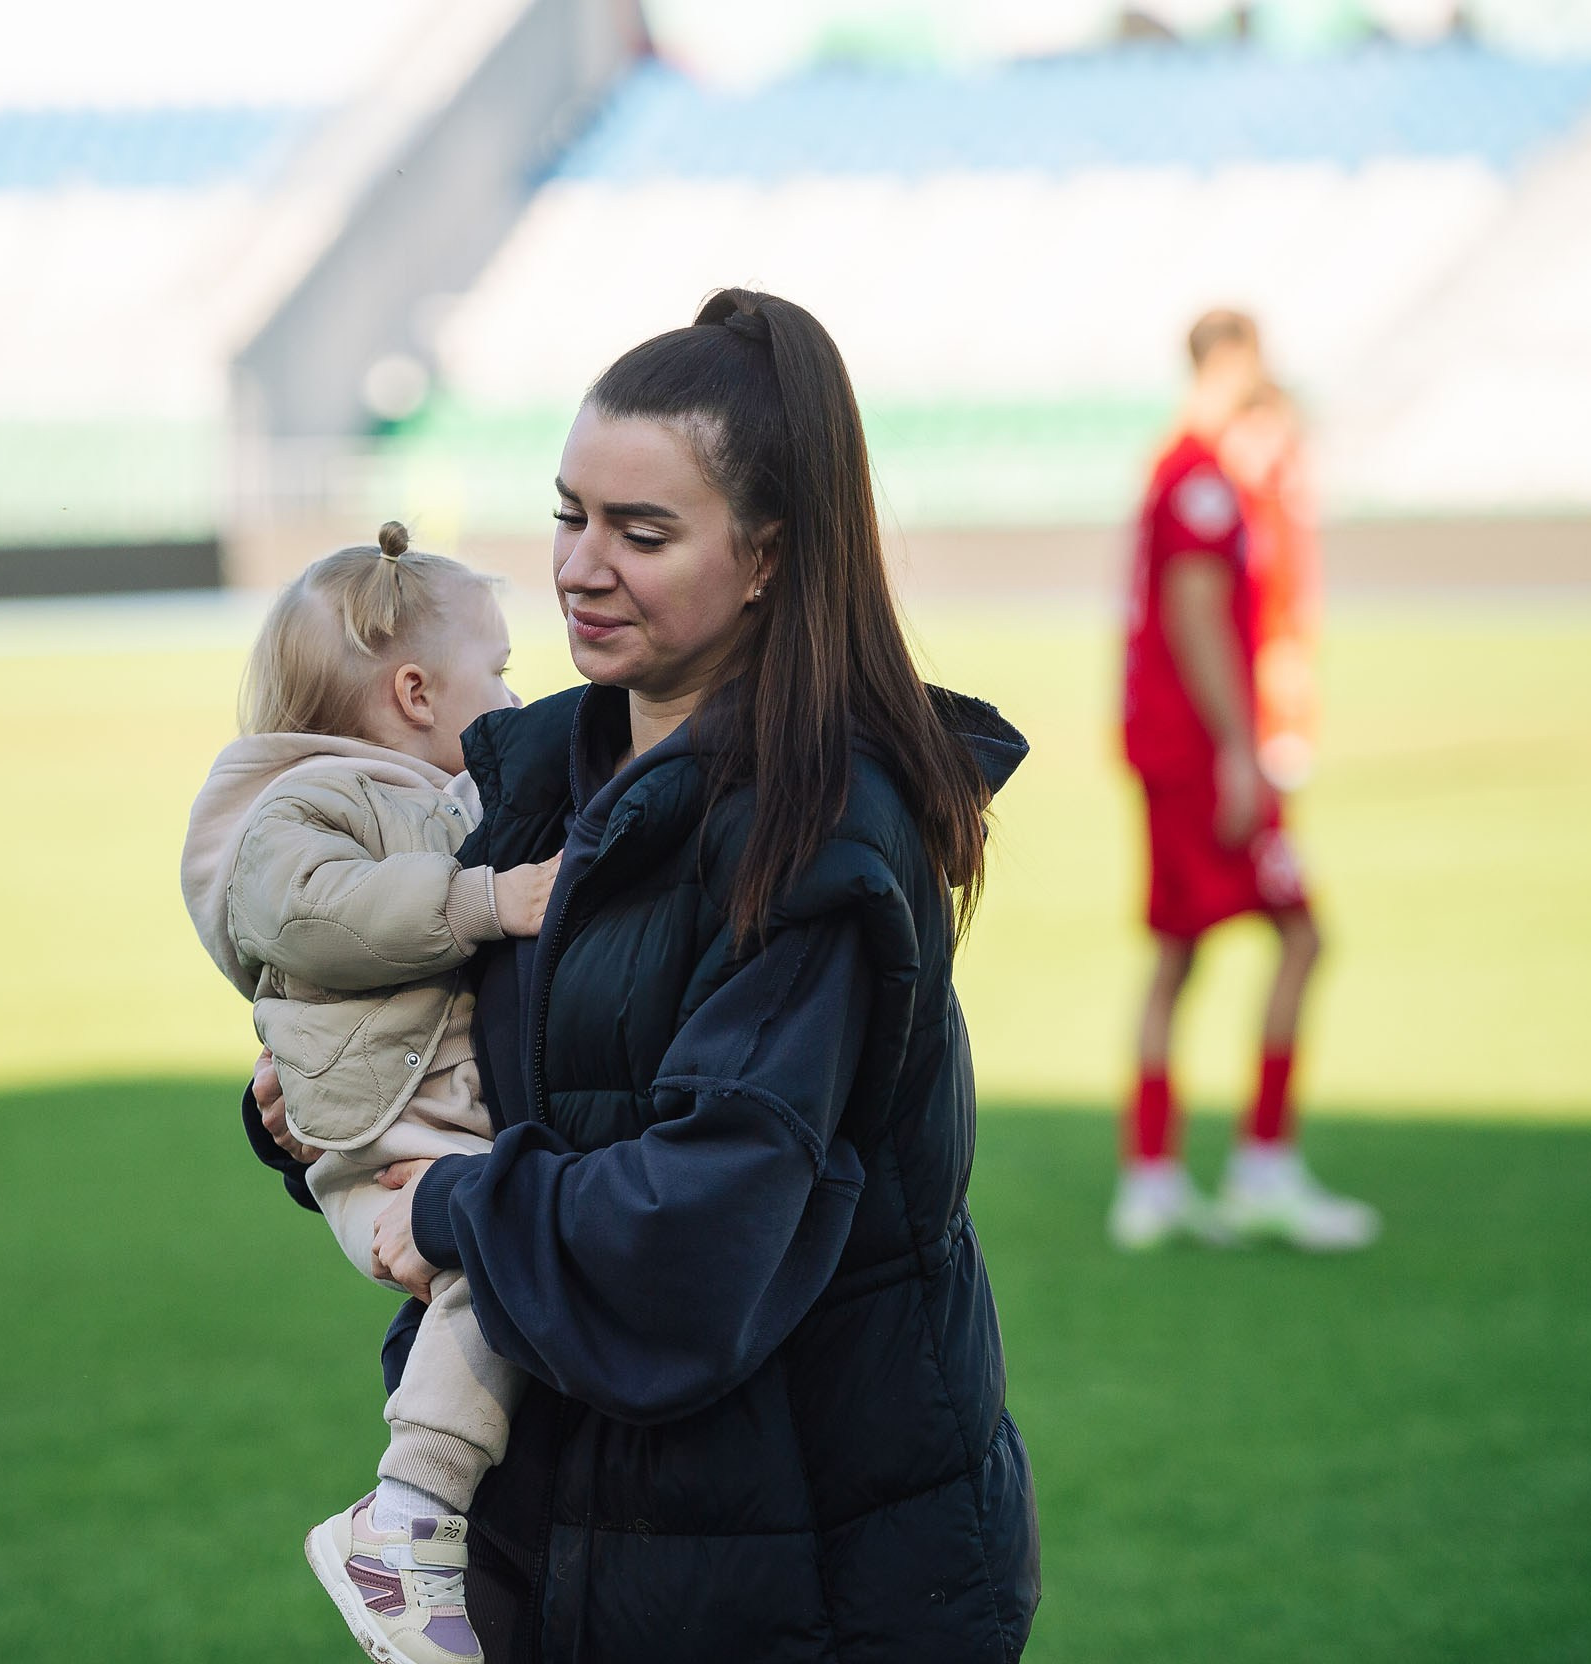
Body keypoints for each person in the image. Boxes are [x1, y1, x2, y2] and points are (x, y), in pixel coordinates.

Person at [253, 289, 1040, 1661]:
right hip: (562, 1549)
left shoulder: (824, 834)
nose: (582, 567)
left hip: (804, 1577)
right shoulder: (527, 775)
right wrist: (316, 1099)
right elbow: (468, 1053)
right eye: (570, 516)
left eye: (644, 531)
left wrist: (455, 1202)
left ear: (767, 559)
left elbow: (700, 1233)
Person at [180, 522, 562, 1664]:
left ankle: (410, 1520)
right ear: (411, 689)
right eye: (496, 668)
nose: (511, 689)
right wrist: (486, 899)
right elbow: (309, 912)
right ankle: (402, 1516)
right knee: (495, 1259)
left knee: (505, 1252)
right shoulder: (304, 806)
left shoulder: (437, 788)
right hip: (382, 1142)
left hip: (421, 1117)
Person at [1110, 308, 1377, 1253]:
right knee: (1302, 936)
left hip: (1163, 744)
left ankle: (1151, 1177)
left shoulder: (1169, 465)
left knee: (1178, 955)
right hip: (1196, 750)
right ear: (1231, 363)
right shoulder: (1203, 479)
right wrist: (1238, 746)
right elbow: (1196, 613)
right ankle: (1263, 1163)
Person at [1219, 381, 1321, 791]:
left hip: (1280, 600)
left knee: (1286, 673)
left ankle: (1284, 754)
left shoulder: (1283, 473)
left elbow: (1295, 545)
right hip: (1252, 602)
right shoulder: (1232, 474)